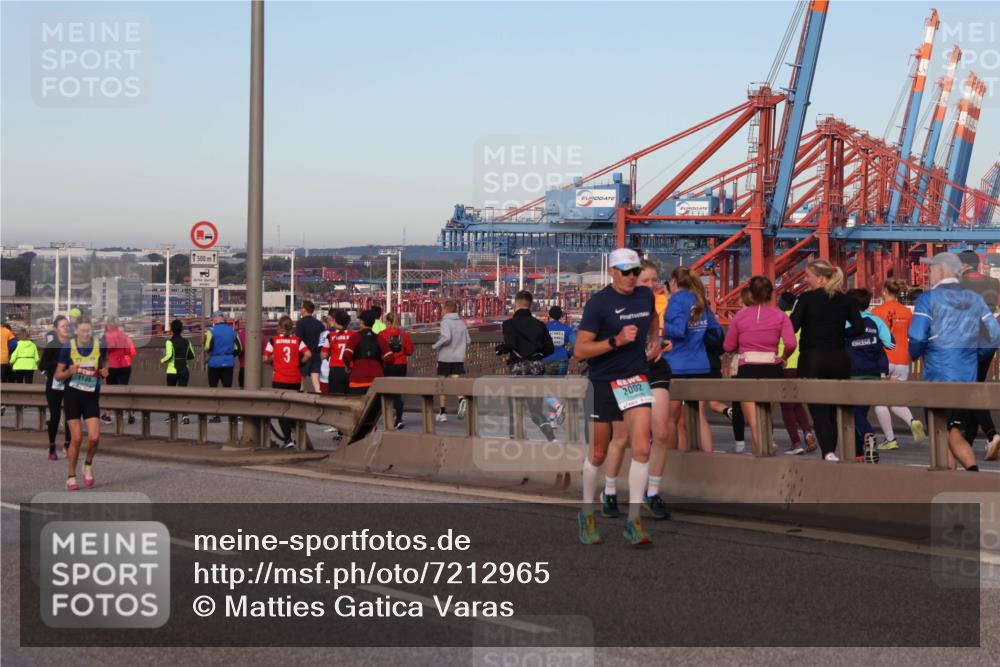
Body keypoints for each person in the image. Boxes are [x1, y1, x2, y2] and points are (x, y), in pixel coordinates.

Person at [574, 248, 660, 548]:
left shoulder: (645, 296)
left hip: (634, 378)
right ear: (612, 271)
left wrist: (655, 341)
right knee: (598, 453)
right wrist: (616, 340)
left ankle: (634, 520)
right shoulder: (599, 304)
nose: (632, 277)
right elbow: (580, 351)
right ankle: (586, 512)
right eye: (626, 272)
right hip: (602, 382)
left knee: (642, 448)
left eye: (636, 271)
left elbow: (653, 319)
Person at [909, 252, 1000, 468]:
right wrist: (978, 355)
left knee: (941, 433)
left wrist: (914, 353)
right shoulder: (974, 298)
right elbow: (995, 334)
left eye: (931, 268)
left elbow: (917, 337)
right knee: (955, 432)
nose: (929, 273)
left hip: (938, 376)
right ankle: (972, 475)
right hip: (966, 377)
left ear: (942, 270)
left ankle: (950, 484)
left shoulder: (928, 299)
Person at [790, 260, 866, 461]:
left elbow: (793, 327)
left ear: (821, 278)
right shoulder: (845, 300)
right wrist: (840, 333)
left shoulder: (806, 298)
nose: (805, 280)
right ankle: (830, 450)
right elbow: (859, 328)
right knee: (833, 408)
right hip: (839, 359)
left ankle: (828, 452)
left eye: (808, 276)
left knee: (818, 408)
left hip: (812, 358)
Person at [723, 276, 797, 456]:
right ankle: (767, 454)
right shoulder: (780, 316)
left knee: (754, 422)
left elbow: (728, 346)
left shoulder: (740, 316)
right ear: (771, 293)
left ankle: (762, 460)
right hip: (772, 368)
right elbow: (791, 343)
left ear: (751, 293)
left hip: (747, 369)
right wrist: (783, 357)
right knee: (764, 417)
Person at [663, 266, 723, 453]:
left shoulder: (676, 300)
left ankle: (673, 460)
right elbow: (717, 334)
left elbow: (679, 330)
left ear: (673, 282)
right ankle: (708, 456)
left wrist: (665, 329)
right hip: (700, 365)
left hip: (677, 366)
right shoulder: (700, 300)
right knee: (699, 417)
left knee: (671, 419)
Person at [871, 279, 926, 451]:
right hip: (903, 360)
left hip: (884, 360)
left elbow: (874, 338)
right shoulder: (906, 312)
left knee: (880, 401)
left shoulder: (877, 311)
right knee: (895, 401)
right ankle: (912, 422)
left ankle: (890, 439)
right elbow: (914, 335)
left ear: (885, 290)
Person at [54, 319, 108, 490]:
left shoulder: (99, 345)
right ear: (76, 331)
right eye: (83, 331)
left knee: (94, 437)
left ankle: (88, 464)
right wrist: (69, 371)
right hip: (72, 396)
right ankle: (71, 476)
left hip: (91, 396)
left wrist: (105, 370)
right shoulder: (68, 348)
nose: (85, 334)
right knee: (76, 438)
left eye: (88, 331)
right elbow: (57, 375)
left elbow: (105, 362)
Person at [845, 288, 895, 464]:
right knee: (860, 412)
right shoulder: (876, 321)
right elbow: (891, 344)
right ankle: (859, 453)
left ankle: (868, 435)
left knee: (853, 413)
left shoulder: (845, 321)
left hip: (852, 373)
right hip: (873, 373)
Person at [499, 291, 556, 442]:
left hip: (518, 369)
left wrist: (501, 349)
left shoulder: (508, 324)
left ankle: (515, 439)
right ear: (530, 305)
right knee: (536, 410)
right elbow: (550, 349)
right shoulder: (539, 325)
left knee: (515, 408)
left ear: (515, 305)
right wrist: (536, 356)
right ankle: (552, 439)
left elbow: (511, 344)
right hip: (537, 369)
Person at [958, 250, 1000, 456]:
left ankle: (992, 434)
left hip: (966, 343)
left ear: (964, 264)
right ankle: (968, 441)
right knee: (975, 386)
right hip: (988, 342)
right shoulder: (993, 282)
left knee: (970, 390)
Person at [776, 291, 817, 454]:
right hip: (802, 365)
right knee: (798, 404)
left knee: (786, 407)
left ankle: (796, 443)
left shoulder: (779, 318)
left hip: (785, 365)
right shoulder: (800, 318)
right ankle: (808, 434)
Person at [264, 316, 312, 449]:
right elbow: (308, 354)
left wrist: (274, 360)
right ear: (292, 328)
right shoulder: (297, 340)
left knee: (281, 410)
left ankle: (288, 439)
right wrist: (300, 363)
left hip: (279, 379)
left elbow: (265, 358)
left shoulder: (274, 340)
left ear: (279, 327)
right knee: (292, 408)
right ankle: (297, 435)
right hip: (294, 378)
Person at [432, 300, 470, 422]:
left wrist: (436, 345)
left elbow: (446, 337)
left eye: (443, 308)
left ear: (446, 309)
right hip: (458, 357)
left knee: (441, 383)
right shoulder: (462, 323)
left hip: (445, 357)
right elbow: (468, 340)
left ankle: (442, 413)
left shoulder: (445, 322)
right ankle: (461, 399)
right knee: (455, 380)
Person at [40, 316, 71, 459]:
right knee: (55, 416)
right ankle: (52, 447)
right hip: (54, 385)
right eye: (62, 326)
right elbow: (42, 366)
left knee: (71, 416)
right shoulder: (52, 345)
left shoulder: (73, 344)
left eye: (67, 325)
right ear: (56, 329)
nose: (66, 328)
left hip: (71, 383)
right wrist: (58, 364)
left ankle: (67, 445)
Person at [378, 311, 415, 429]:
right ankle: (399, 418)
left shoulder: (382, 334)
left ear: (387, 322)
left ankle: (388, 417)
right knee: (397, 394)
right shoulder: (403, 335)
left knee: (386, 393)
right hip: (400, 365)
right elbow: (409, 351)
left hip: (387, 365)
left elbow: (378, 350)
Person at [204, 311, 242, 421]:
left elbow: (207, 347)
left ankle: (217, 415)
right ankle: (231, 414)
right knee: (227, 389)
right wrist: (230, 355)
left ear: (214, 320)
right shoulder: (233, 331)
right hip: (228, 362)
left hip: (214, 362)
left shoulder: (211, 331)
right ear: (223, 319)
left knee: (214, 390)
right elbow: (239, 348)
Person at [541, 305, 576, 424]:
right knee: (555, 391)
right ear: (561, 316)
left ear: (549, 315)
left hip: (546, 361)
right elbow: (575, 345)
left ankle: (557, 407)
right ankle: (552, 421)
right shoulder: (567, 329)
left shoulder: (543, 328)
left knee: (544, 391)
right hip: (562, 361)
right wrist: (568, 353)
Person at [101, 317, 137, 424]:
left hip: (111, 366)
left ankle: (108, 415)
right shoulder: (125, 337)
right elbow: (131, 352)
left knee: (110, 391)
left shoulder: (105, 337)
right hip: (125, 366)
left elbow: (102, 353)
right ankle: (130, 413)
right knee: (124, 390)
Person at [345, 310, 388, 395]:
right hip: (376, 382)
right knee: (376, 408)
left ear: (362, 322)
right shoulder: (379, 338)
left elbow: (347, 355)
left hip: (357, 381)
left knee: (357, 407)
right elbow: (389, 357)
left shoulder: (355, 337)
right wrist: (381, 365)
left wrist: (347, 365)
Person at [160, 319, 195, 425]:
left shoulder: (169, 342)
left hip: (172, 371)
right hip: (184, 370)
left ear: (171, 330)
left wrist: (162, 360)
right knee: (183, 393)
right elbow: (192, 355)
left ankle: (172, 416)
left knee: (171, 394)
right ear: (181, 329)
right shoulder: (187, 342)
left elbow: (169, 355)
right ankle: (185, 416)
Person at [322, 310, 358, 396]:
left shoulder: (330, 335)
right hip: (350, 369)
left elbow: (323, 355)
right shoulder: (354, 335)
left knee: (335, 398)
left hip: (336, 370)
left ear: (335, 320)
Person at [296, 300, 326, 393]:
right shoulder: (320, 324)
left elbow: (299, 340)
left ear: (304, 310)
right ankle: (318, 396)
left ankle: (299, 399)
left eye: (301, 308)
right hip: (316, 354)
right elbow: (322, 340)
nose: (300, 310)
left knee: (300, 378)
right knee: (315, 379)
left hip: (304, 355)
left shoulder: (300, 323)